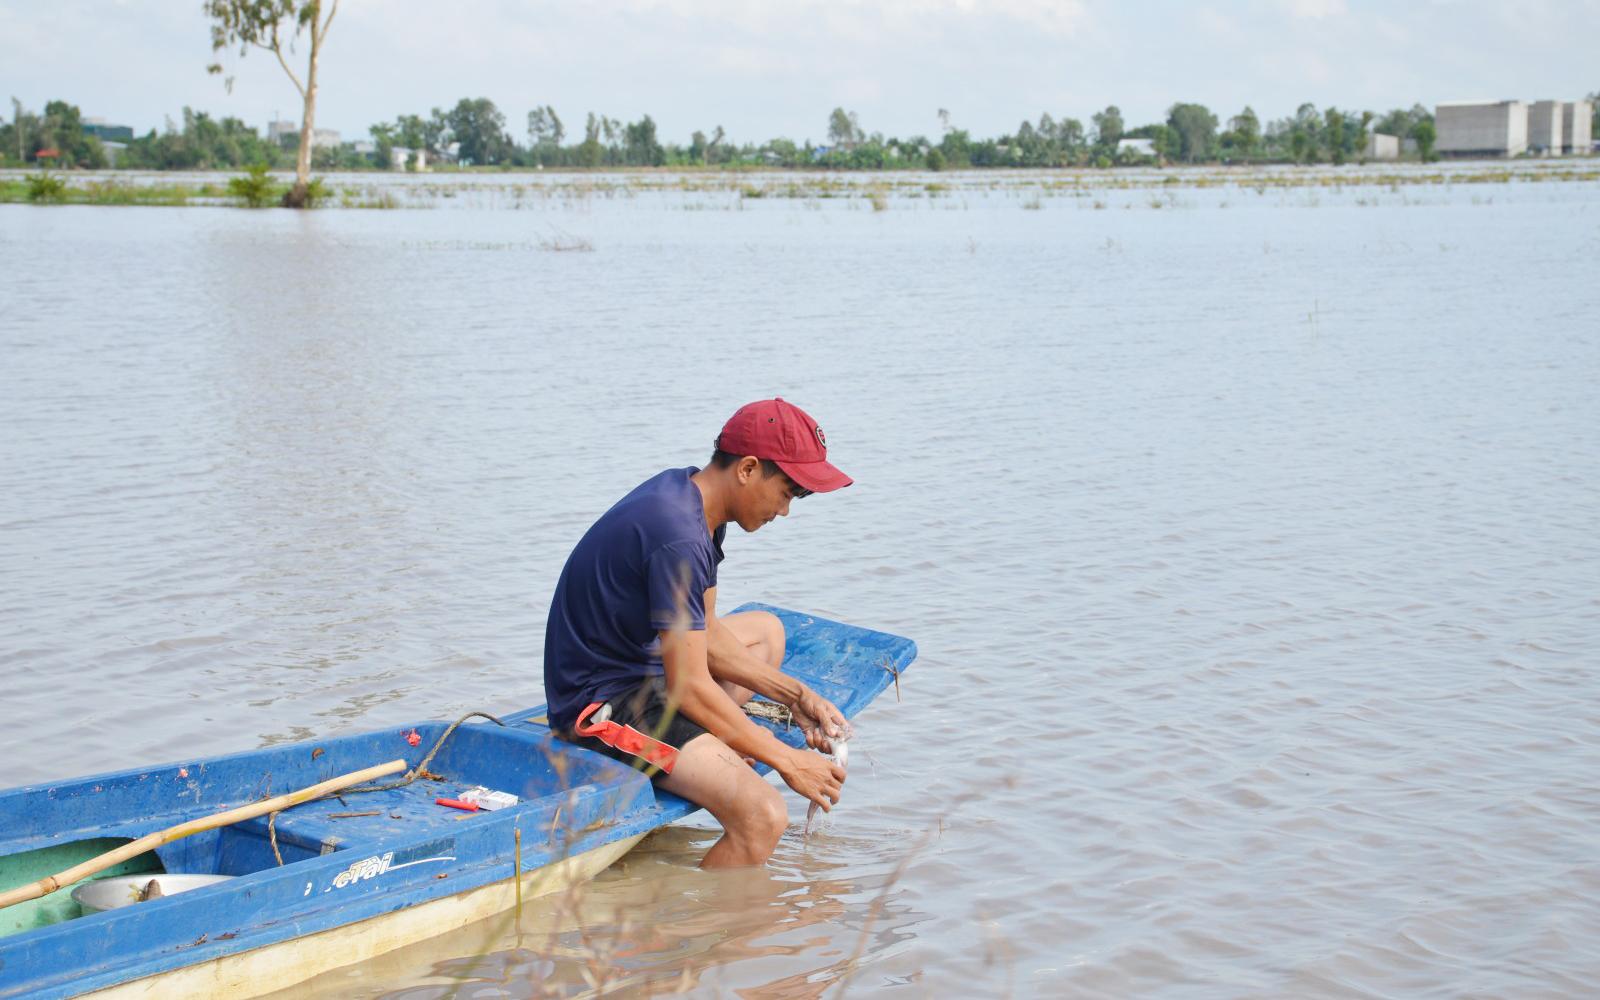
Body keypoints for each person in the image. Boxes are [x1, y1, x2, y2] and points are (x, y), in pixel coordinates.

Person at [543, 398, 853, 868]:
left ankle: (710, 749)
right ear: (748, 469)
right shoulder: (679, 537)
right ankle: (698, 939)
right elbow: (689, 684)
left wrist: (796, 696)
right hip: (601, 705)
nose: (786, 511)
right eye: (788, 492)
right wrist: (788, 761)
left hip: (646, 666)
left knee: (767, 633)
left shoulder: (695, 501)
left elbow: (706, 633)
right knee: (764, 816)